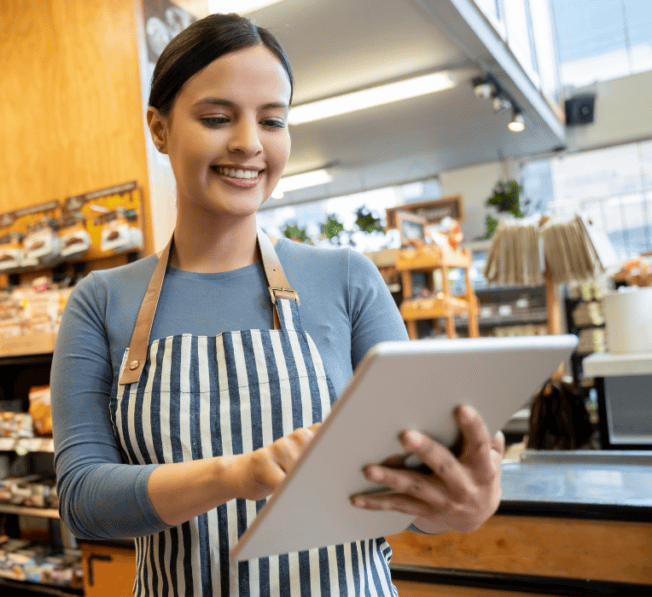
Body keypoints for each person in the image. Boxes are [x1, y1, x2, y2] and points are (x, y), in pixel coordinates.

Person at [51, 13, 504, 597]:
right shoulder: (101, 302)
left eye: (272, 121)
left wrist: (462, 506)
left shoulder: (346, 280)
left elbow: (407, 493)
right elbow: (84, 499)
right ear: (159, 129)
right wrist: (236, 474)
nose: (249, 143)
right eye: (217, 118)